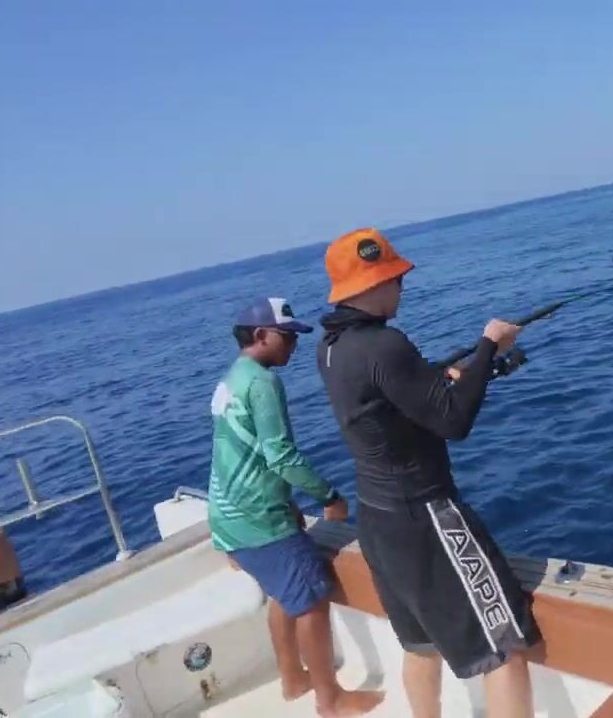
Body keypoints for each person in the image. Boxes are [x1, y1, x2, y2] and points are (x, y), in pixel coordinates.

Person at [315, 228, 541, 718]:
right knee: (505, 648)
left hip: (378, 522)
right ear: (374, 283)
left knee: (421, 646)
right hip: (424, 517)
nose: (402, 286)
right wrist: (488, 346)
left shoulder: (331, 348)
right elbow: (454, 422)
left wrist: (438, 382)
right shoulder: (385, 345)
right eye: (395, 278)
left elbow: (382, 406)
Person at [208, 297, 385, 718]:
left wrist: (286, 501)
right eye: (286, 337)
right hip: (259, 520)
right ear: (260, 335)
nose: (293, 345)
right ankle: (331, 700)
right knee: (310, 600)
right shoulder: (263, 383)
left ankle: (292, 679)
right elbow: (280, 456)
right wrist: (330, 497)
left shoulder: (232, 379)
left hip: (228, 516)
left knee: (283, 594)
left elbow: (244, 454)